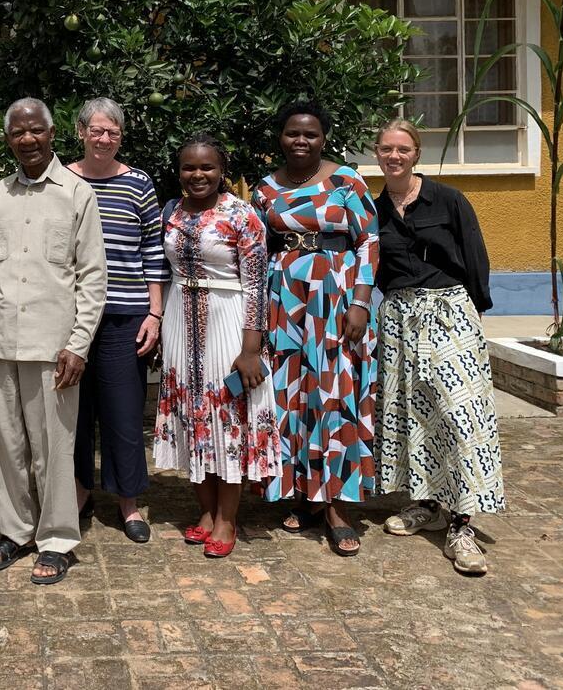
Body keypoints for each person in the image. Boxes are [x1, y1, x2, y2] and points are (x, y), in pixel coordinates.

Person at [0, 98, 107, 586]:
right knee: (6, 445)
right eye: (18, 133)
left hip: (53, 347)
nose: (28, 139)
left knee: (53, 448)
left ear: (52, 134)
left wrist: (78, 344)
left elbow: (92, 277)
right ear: (9, 140)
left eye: (36, 131)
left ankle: (57, 538)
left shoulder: (76, 193)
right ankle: (13, 530)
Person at [372, 119, 504, 576]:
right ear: (377, 153)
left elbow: (475, 256)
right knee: (411, 412)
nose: (394, 156)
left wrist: (474, 318)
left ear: (416, 153)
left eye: (402, 148)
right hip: (400, 320)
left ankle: (462, 525)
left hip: (450, 314)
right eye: (386, 148)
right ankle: (424, 503)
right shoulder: (376, 209)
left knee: (460, 415)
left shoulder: (447, 199)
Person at [252, 100, 379, 557]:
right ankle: (304, 494)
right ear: (280, 138)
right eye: (292, 133)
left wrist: (361, 301)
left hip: (337, 297)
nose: (300, 141)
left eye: (310, 134)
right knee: (293, 397)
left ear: (323, 137)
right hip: (283, 301)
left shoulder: (347, 179)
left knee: (335, 396)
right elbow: (255, 249)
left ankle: (339, 509)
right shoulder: (264, 189)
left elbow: (368, 241)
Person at [154, 135, 280, 558]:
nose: (197, 175)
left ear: (221, 169)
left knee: (226, 417)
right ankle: (205, 513)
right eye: (189, 167)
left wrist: (250, 350)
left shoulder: (242, 215)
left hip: (228, 319)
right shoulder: (170, 211)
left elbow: (257, 286)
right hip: (179, 318)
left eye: (206, 167)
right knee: (192, 414)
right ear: (179, 171)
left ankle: (227, 520)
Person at [66, 98, 168, 542]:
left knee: (124, 413)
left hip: (125, 316)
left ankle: (129, 501)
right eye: (97, 131)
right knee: (72, 411)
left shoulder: (138, 184)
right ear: (81, 131)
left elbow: (153, 252)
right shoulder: (61, 180)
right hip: (68, 316)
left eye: (113, 133)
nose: (104, 139)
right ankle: (77, 491)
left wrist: (155, 313)